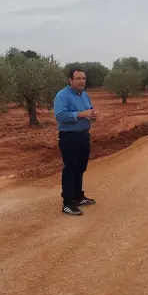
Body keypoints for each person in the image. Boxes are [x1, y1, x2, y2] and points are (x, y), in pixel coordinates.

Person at [54, 68, 98, 216]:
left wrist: (92, 115)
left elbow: (89, 110)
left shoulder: (84, 95)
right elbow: (60, 115)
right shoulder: (62, 95)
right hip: (69, 137)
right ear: (70, 80)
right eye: (78, 78)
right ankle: (67, 202)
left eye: (84, 78)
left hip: (83, 135)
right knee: (70, 168)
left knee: (81, 167)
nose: (82, 81)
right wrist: (80, 114)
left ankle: (78, 196)